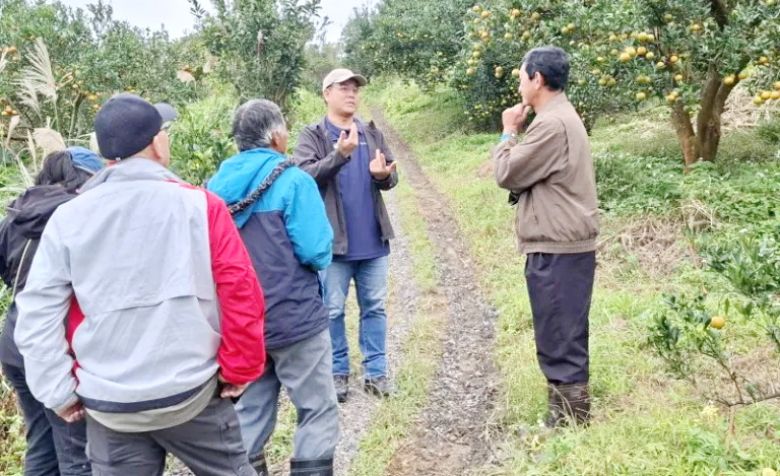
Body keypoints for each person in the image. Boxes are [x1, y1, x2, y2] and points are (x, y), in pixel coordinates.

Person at [14, 93, 266, 475]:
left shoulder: (68, 219)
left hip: (110, 408)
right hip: (192, 395)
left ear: (106, 156)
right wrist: (240, 368)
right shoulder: (200, 206)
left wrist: (58, 392)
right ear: (156, 142)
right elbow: (240, 291)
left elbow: (38, 314)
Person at [208, 99, 339, 476]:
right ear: (278, 135)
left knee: (250, 410)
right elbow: (316, 250)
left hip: (240, 325)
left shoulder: (213, 188)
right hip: (294, 317)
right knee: (316, 407)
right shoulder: (293, 180)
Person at [493, 46, 600, 427]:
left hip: (559, 245)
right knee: (558, 330)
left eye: (522, 77)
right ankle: (564, 416)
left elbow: (508, 172)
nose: (520, 84)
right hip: (561, 243)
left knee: (560, 335)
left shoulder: (552, 124)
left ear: (537, 79)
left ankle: (570, 422)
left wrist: (508, 132)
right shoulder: (558, 118)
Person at [293, 68, 398, 403]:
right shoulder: (313, 135)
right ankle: (338, 373)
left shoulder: (370, 132)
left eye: (355, 88)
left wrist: (383, 177)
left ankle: (376, 372)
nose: (351, 93)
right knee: (332, 310)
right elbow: (304, 177)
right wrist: (340, 155)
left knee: (375, 308)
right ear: (326, 93)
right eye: (343, 88)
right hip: (333, 246)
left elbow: (391, 177)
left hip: (372, 242)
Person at [0, 147, 103, 476]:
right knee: (77, 452)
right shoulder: (80, 214)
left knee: (42, 445)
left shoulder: (18, 211)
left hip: (15, 341)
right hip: (56, 345)